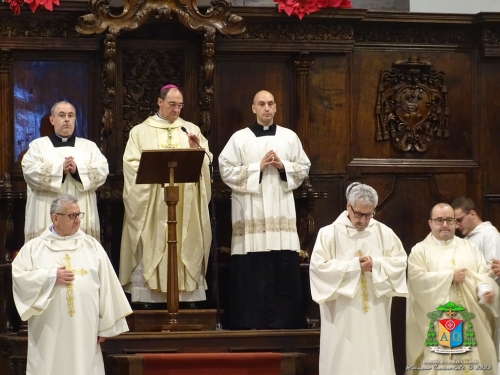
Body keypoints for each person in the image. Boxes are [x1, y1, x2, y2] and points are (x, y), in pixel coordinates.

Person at [218, 90, 311, 329]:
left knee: (281, 267)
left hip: (280, 209)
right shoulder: (240, 138)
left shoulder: (289, 137)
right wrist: (256, 168)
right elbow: (225, 169)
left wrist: (283, 166)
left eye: (270, 104)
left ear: (276, 108)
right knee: (253, 270)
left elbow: (303, 166)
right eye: (262, 104)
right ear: (253, 108)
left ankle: (285, 321)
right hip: (252, 214)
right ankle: (248, 322)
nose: (266, 108)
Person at [12, 194, 132, 375]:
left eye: (78, 215)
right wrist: (51, 277)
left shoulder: (92, 247)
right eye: (71, 216)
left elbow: (108, 286)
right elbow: (20, 280)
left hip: (85, 329)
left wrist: (106, 325)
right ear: (55, 218)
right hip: (48, 331)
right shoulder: (33, 249)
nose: (77, 220)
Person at [120, 84, 212, 303]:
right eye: (172, 105)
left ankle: (187, 296)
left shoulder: (190, 130)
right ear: (159, 102)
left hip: (185, 202)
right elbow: (131, 165)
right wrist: (155, 174)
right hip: (153, 206)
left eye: (180, 105)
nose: (176, 110)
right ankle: (149, 298)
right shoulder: (140, 132)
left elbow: (206, 160)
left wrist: (196, 151)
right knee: (152, 239)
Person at [309, 182, 408, 375]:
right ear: (348, 206)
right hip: (341, 315)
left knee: (374, 356)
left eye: (369, 214)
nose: (363, 220)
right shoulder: (329, 233)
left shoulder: (383, 233)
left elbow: (400, 263)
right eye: (359, 214)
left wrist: (376, 265)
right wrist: (354, 267)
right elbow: (318, 269)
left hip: (375, 313)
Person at [406, 203, 499, 375]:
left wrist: (483, 289)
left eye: (449, 220)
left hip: (469, 320)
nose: (444, 225)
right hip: (437, 322)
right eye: (439, 220)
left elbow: (482, 274)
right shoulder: (420, 251)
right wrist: (449, 277)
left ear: (455, 222)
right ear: (430, 223)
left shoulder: (469, 247)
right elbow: (416, 280)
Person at [21, 101, 109, 242]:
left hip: (80, 210)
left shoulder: (89, 147)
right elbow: (29, 171)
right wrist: (59, 170)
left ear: (75, 119)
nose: (67, 119)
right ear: (52, 119)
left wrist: (77, 171)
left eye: (70, 115)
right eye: (61, 115)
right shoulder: (38, 146)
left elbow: (102, 170)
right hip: (46, 209)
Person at [452, 196, 500, 274]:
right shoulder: (466, 239)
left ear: (472, 214)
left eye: (459, 220)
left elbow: (493, 271)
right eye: (455, 222)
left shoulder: (490, 235)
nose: (457, 226)